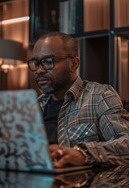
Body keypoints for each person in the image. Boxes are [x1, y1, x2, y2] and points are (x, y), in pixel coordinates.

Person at [27, 31, 129, 168]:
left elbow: (126, 143)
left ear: (73, 64)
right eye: (36, 63)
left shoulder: (99, 96)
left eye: (48, 61)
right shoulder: (34, 106)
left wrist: (83, 154)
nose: (39, 70)